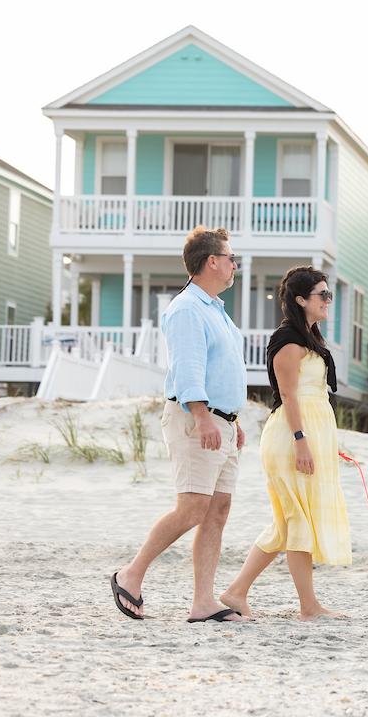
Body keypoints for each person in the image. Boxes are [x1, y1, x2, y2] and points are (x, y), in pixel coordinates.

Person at [109, 226, 248, 623]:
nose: (234, 264)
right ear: (211, 262)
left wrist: (230, 418)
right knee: (192, 508)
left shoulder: (214, 308)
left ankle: (203, 602)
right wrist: (204, 415)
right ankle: (129, 574)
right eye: (231, 257)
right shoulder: (188, 309)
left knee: (218, 510)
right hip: (194, 419)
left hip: (221, 421)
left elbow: (220, 368)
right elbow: (188, 370)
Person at [221, 266, 350, 621]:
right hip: (290, 438)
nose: (328, 301)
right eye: (322, 295)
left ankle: (235, 592)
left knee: (286, 524)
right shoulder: (288, 342)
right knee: (296, 521)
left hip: (308, 435)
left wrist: (322, 442)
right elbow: (290, 397)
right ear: (300, 300)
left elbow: (315, 398)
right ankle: (309, 607)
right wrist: (301, 441)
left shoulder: (309, 338)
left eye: (329, 295)